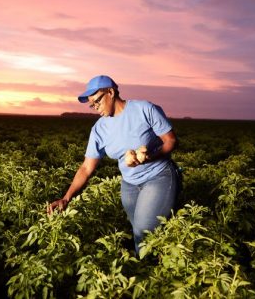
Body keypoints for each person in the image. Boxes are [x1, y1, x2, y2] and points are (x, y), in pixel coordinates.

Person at [48, 75, 180, 254]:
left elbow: (171, 140)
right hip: (130, 185)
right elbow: (86, 168)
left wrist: (150, 156)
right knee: (140, 233)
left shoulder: (143, 108)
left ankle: (151, 274)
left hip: (158, 176)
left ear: (111, 92)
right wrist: (66, 198)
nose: (95, 108)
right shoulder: (99, 129)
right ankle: (155, 266)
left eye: (97, 102)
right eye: (91, 105)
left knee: (144, 232)